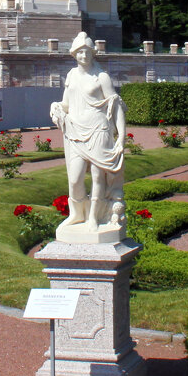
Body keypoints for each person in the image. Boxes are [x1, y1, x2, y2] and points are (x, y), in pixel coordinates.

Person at [49, 32, 126, 234]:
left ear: (93, 53)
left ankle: (93, 217)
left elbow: (115, 105)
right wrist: (56, 106)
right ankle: (77, 214)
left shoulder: (102, 77)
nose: (83, 56)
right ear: (74, 54)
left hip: (98, 129)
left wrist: (121, 138)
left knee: (97, 176)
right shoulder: (72, 75)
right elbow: (66, 104)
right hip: (74, 130)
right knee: (74, 179)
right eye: (80, 52)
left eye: (87, 52)